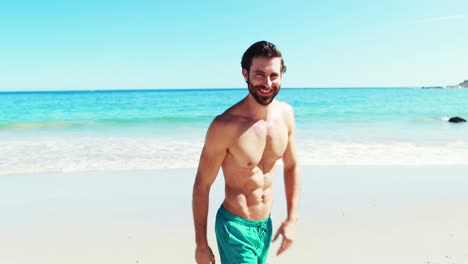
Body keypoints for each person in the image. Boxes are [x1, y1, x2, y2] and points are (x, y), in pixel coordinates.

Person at [192, 40, 301, 264]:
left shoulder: (286, 115)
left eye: (274, 75)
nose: (267, 83)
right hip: (234, 229)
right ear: (245, 74)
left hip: (264, 227)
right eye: (259, 74)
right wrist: (201, 245)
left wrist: (292, 218)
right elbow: (202, 185)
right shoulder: (225, 126)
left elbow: (292, 165)